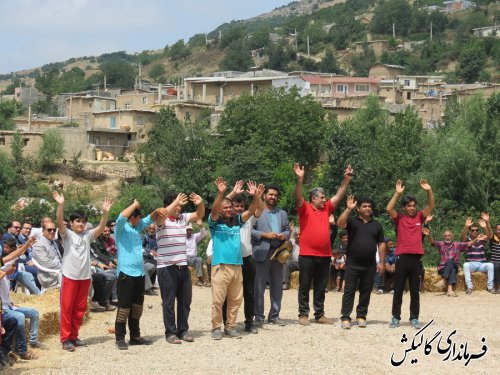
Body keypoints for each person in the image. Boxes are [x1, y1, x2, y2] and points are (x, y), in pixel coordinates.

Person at [293, 163, 352, 326]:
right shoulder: (304, 208)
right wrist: (299, 180)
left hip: (325, 255)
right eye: (322, 197)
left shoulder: (326, 209)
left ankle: (319, 314)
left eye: (325, 197)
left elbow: (339, 196)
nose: (325, 199)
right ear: (313, 198)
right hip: (307, 254)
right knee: (304, 285)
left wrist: (346, 181)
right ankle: (303, 314)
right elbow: (298, 197)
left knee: (320, 287)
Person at [53, 191, 113, 351]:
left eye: (83, 222)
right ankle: (65, 339)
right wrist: (60, 205)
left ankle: (74, 336)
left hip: (85, 277)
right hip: (70, 276)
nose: (81, 224)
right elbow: (59, 222)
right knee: (67, 308)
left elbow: (101, 228)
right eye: (78, 221)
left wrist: (105, 213)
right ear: (71, 223)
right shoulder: (68, 235)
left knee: (79, 309)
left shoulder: (87, 235)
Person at [209, 178, 263, 340]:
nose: (227, 210)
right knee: (218, 301)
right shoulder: (214, 224)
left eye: (229, 207)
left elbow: (251, 211)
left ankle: (230, 327)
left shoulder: (237, 222)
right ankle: (216, 328)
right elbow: (213, 210)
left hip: (237, 266)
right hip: (221, 266)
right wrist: (221, 193)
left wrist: (256, 196)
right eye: (224, 208)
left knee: (235, 300)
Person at [114, 200, 165, 350]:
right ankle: (120, 338)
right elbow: (121, 217)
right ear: (132, 217)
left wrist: (156, 210)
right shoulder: (121, 228)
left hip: (139, 273)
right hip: (126, 273)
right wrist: (134, 205)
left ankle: (135, 336)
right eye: (137, 218)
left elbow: (150, 219)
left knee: (137, 306)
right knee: (124, 307)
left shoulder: (138, 227)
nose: (140, 221)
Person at [155, 192, 205, 344]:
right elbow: (161, 215)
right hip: (166, 267)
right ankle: (170, 333)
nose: (178, 208)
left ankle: (183, 330)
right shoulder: (161, 220)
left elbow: (199, 214)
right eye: (176, 206)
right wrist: (175, 201)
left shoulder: (182, 219)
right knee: (168, 302)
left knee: (185, 301)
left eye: (179, 206)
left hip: (183, 266)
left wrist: (200, 203)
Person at [386, 179, 434, 329]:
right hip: (402, 257)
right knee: (398, 290)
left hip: (416, 258)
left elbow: (431, 205)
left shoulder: (420, 217)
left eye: (413, 206)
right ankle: (395, 317)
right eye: (409, 206)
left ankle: (414, 318)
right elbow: (389, 208)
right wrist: (397, 193)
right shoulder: (399, 218)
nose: (412, 208)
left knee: (415, 291)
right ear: (404, 207)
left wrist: (428, 190)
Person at [337, 195, 385, 329]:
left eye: (370, 206)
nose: (368, 208)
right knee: (349, 291)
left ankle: (361, 316)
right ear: (358, 208)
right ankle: (346, 317)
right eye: (364, 206)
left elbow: (381, 244)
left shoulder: (377, 225)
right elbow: (340, 224)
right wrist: (348, 209)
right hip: (353, 263)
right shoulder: (352, 221)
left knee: (366, 291)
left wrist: (381, 262)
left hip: (370, 264)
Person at [251, 184, 290, 326]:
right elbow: (249, 231)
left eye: (275, 195)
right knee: (259, 287)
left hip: (278, 253)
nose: (273, 197)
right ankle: (259, 317)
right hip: (262, 252)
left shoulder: (282, 213)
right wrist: (265, 234)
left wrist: (283, 236)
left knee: (277, 286)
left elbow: (287, 230)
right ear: (264, 195)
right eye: (270, 194)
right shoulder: (256, 212)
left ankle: (274, 315)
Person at [1, 261, 42, 360]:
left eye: (15, 266)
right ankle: (22, 351)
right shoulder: (2, 277)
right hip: (3, 309)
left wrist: (10, 301)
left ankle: (33, 341)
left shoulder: (7, 278)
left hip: (9, 306)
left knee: (34, 312)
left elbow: (5, 294)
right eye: (13, 266)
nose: (15, 268)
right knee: (20, 317)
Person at [423, 228, 477, 297]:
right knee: (452, 270)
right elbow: (433, 242)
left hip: (454, 265)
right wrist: (428, 235)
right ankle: (450, 290)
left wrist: (477, 239)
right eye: (445, 236)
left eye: (449, 236)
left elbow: (469, 244)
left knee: (450, 261)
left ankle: (444, 279)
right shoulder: (441, 244)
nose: (447, 237)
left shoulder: (457, 245)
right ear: (443, 237)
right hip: (443, 267)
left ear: (452, 236)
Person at [460, 214, 495, 294]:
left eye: (476, 230)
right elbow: (462, 237)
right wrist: (466, 226)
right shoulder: (467, 239)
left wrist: (485, 226)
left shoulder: (481, 238)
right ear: (469, 231)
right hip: (471, 264)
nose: (475, 231)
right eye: (473, 230)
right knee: (465, 265)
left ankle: (490, 287)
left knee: (490, 265)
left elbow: (489, 236)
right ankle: (469, 287)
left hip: (481, 264)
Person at [31, 222, 63, 291]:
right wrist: (64, 268)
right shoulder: (38, 245)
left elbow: (60, 258)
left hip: (60, 272)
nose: (52, 232)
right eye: (49, 230)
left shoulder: (53, 242)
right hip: (50, 276)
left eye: (54, 230)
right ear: (43, 231)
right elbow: (47, 264)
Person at [185, 221, 208, 287]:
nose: (189, 232)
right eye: (187, 230)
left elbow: (204, 233)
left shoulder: (194, 236)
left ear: (192, 231)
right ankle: (184, 280)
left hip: (194, 258)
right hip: (185, 257)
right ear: (185, 231)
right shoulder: (182, 237)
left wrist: (201, 226)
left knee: (200, 259)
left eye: (190, 230)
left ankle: (199, 279)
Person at [283, 223, 299, 291]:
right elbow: (287, 241)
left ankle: (304, 285)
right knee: (287, 263)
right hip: (294, 263)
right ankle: (285, 283)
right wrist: (290, 232)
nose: (298, 236)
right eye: (296, 234)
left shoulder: (306, 242)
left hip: (304, 262)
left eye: (299, 234)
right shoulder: (292, 241)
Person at [489, 223, 500, 293]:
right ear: (496, 230)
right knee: (496, 267)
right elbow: (489, 232)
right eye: (498, 230)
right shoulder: (494, 239)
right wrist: (487, 222)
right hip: (496, 261)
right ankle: (498, 287)